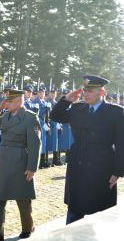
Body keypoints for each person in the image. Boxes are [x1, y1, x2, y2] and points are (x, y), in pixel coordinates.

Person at [50, 75, 124, 224]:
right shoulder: (78, 108)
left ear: (101, 93)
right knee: (74, 210)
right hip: (78, 162)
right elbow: (55, 116)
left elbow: (121, 143)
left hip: (102, 165)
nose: (86, 94)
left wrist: (117, 172)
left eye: (90, 91)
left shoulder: (116, 112)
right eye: (85, 90)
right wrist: (65, 100)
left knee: (101, 214)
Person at [0, 89, 41, 241]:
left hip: (20, 159)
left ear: (19, 102)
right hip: (3, 160)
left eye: (9, 101)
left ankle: (28, 227)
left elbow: (35, 145)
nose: (6, 103)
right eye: (6, 101)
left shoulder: (30, 118)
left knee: (22, 196)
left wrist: (32, 167)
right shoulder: (6, 115)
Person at [34, 86, 51, 168]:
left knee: (44, 144)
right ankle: (38, 162)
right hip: (38, 126)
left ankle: (43, 161)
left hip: (44, 126)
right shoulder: (35, 102)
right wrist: (43, 124)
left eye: (43, 92)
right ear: (37, 93)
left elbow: (47, 116)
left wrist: (47, 123)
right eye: (40, 92)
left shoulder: (44, 102)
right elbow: (35, 116)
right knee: (38, 145)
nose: (42, 94)